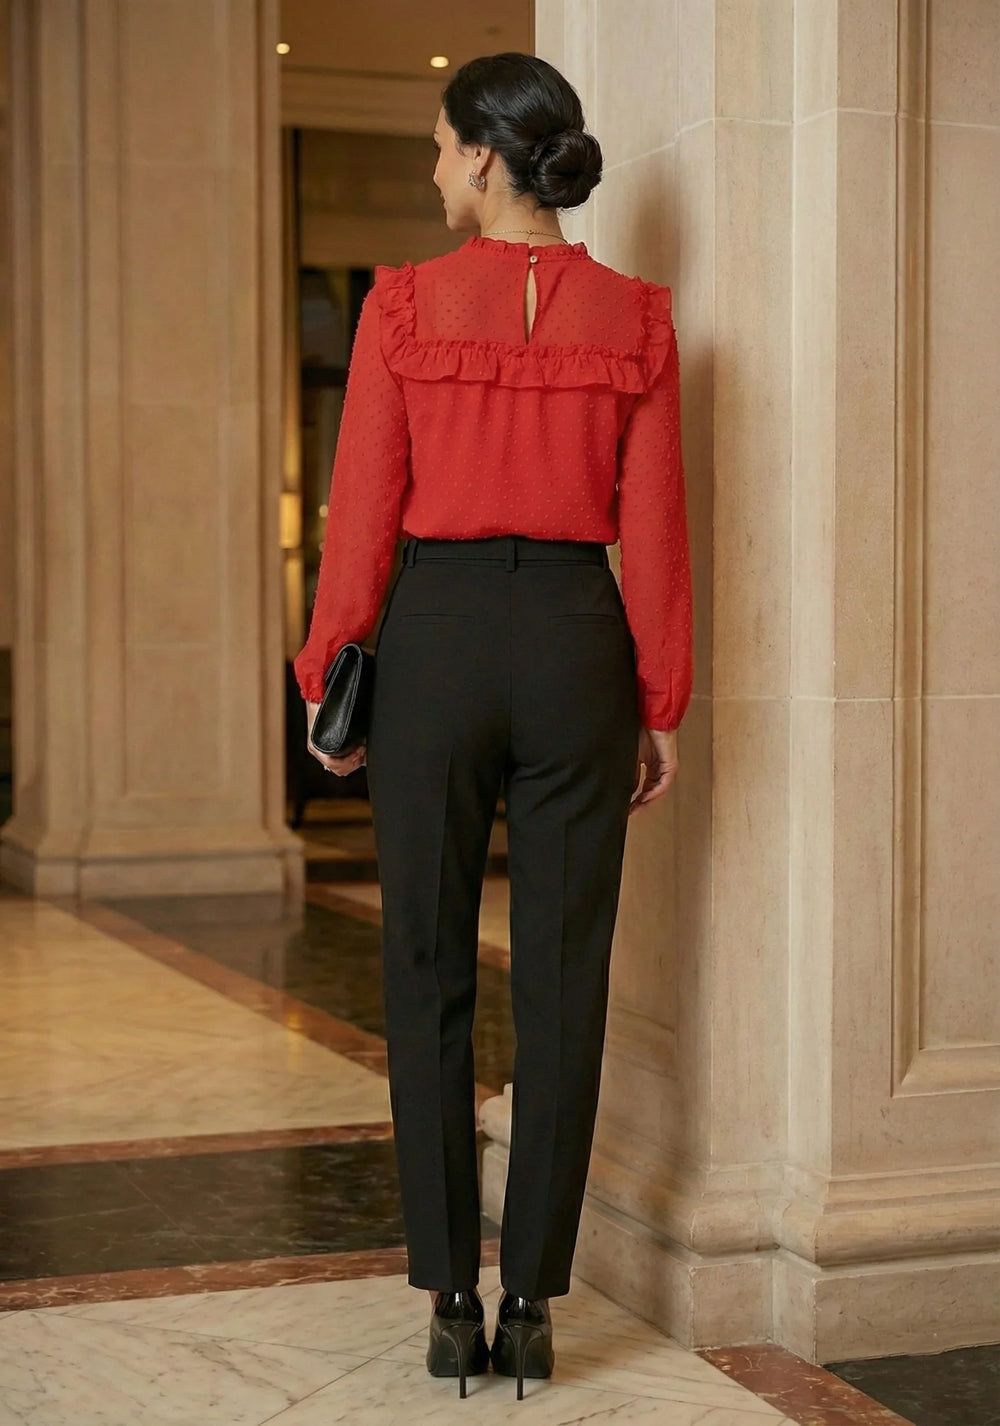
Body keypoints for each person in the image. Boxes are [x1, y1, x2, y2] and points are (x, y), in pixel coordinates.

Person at [293, 52, 693, 1401]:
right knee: (566, 981)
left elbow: (364, 511)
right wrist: (659, 698)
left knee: (425, 968)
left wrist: (330, 672)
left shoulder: (404, 306)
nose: (430, 169)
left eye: (437, 146)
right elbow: (657, 530)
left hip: (440, 643)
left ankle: (448, 1295)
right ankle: (531, 1303)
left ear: (481, 154)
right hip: (579, 641)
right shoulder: (638, 317)